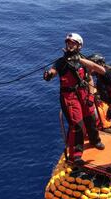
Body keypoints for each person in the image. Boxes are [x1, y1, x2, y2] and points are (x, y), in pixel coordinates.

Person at [43, 33, 104, 165]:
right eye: (68, 43)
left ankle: (95, 140)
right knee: (77, 124)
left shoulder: (83, 60)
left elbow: (89, 79)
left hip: (83, 93)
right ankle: (75, 155)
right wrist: (48, 75)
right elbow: (52, 72)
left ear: (79, 46)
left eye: (73, 43)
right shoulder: (61, 62)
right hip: (69, 97)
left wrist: (91, 95)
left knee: (91, 118)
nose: (69, 45)